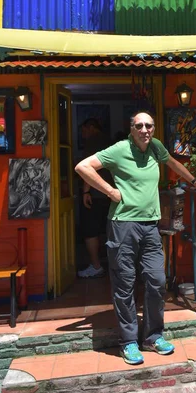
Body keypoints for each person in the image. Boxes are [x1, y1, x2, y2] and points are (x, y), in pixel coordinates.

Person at [75, 111, 196, 365]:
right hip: (123, 225)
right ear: (131, 128)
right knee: (124, 283)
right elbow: (82, 167)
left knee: (157, 280)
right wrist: (110, 191)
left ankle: (153, 336)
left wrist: (194, 181)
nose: (145, 130)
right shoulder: (119, 149)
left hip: (150, 226)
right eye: (140, 126)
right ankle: (128, 342)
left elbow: (172, 163)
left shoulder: (155, 147)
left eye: (149, 125)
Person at [77, 118, 112, 279]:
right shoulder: (110, 141)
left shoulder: (93, 141)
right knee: (111, 229)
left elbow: (87, 169)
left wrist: (86, 192)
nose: (82, 134)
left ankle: (96, 266)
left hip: (96, 194)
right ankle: (116, 266)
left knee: (90, 230)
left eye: (84, 130)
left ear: (91, 127)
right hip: (112, 193)